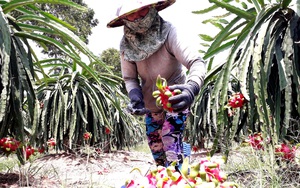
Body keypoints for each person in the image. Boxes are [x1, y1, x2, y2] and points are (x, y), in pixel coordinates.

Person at [107, 0, 206, 169]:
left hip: (175, 101)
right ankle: (169, 177)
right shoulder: (126, 46)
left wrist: (191, 89)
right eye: (131, 14)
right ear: (124, 19)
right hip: (151, 108)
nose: (137, 17)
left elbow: (196, 62)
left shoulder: (169, 32)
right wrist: (135, 96)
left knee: (171, 143)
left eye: (142, 10)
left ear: (152, 9)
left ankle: (179, 179)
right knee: (157, 153)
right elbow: (129, 78)